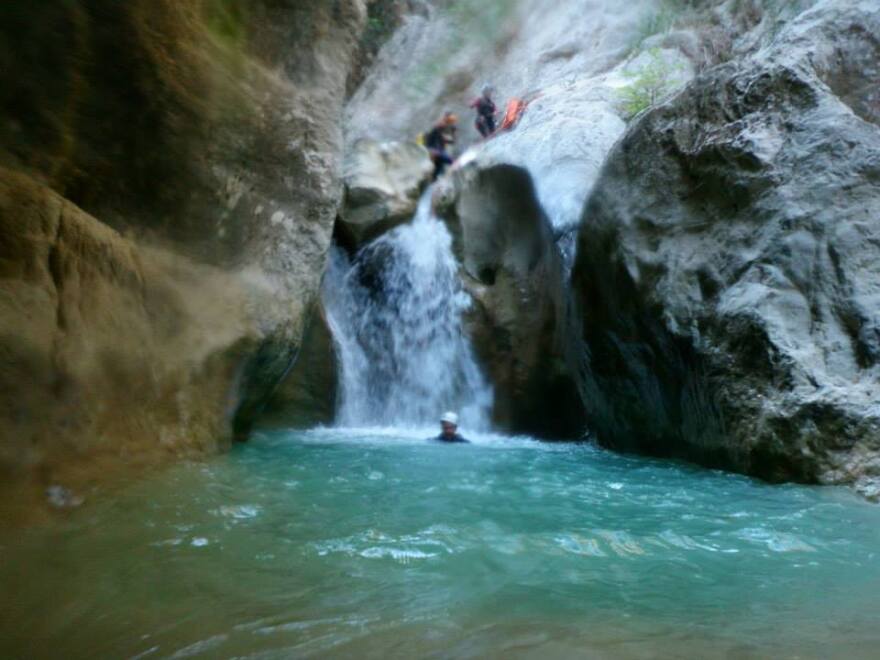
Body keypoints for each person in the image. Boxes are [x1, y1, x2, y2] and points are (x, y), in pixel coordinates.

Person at [424, 112, 458, 180]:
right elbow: (429, 141)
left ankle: (434, 181)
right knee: (451, 162)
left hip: (438, 152)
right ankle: (434, 179)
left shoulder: (442, 131)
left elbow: (452, 141)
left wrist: (454, 133)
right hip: (434, 151)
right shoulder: (438, 127)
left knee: (439, 169)